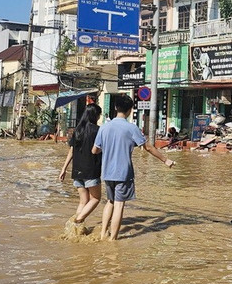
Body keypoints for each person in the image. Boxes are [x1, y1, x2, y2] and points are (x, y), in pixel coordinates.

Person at [92, 94, 175, 241]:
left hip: (107, 173)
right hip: (123, 173)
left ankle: (103, 234)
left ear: (116, 108)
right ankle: (113, 240)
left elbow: (95, 150)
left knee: (110, 202)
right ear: (130, 110)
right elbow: (148, 147)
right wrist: (165, 160)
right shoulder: (131, 128)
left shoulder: (104, 128)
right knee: (119, 205)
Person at [58, 104, 103, 232]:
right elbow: (98, 149)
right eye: (99, 115)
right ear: (95, 115)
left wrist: (63, 169)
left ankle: (75, 229)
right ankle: (77, 221)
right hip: (91, 171)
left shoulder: (77, 131)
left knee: (83, 202)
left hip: (77, 171)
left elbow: (71, 151)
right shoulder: (97, 130)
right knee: (96, 199)